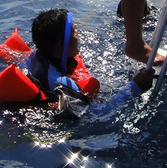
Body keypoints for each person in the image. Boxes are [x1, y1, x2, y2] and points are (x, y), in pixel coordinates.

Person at [26, 8, 154, 116]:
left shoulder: (38, 56)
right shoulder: (60, 83)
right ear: (60, 44)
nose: (77, 33)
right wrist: (134, 88)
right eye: (73, 31)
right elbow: (94, 114)